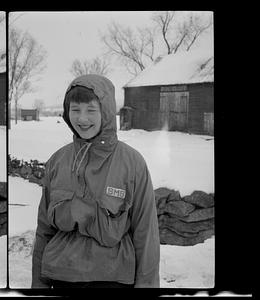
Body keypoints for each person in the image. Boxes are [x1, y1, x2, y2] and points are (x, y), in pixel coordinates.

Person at [31, 74, 160, 288]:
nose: (82, 119)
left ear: (106, 112)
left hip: (113, 281)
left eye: (91, 110)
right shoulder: (57, 162)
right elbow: (44, 230)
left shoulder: (132, 163)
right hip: (61, 278)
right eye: (75, 110)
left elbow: (146, 234)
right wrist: (38, 286)